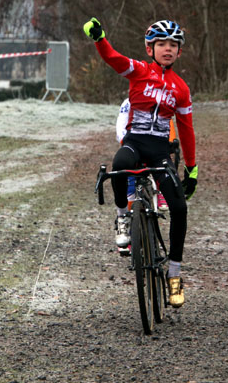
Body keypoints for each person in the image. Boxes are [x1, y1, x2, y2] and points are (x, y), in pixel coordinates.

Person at [84, 17, 198, 308]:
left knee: (180, 208)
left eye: (173, 45)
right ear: (150, 49)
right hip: (135, 142)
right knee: (120, 164)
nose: (168, 49)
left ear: (179, 52)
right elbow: (113, 58)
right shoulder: (139, 71)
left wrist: (192, 168)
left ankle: (174, 275)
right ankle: (123, 217)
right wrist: (100, 38)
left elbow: (186, 128)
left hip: (160, 151)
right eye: (161, 44)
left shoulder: (181, 88)